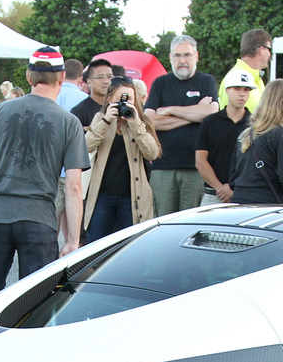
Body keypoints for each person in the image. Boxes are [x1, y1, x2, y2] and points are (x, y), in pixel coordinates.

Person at [0, 46, 88, 291]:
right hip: (40, 219)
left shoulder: (1, 111)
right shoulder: (69, 122)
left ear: (29, 77)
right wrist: (73, 241)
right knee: (36, 298)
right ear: (61, 77)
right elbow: (73, 187)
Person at [144, 35, 218, 214]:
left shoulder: (206, 81)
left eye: (187, 55)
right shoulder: (160, 83)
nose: (182, 60)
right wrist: (193, 114)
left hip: (196, 167)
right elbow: (150, 121)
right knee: (161, 223)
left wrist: (168, 109)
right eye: (177, 56)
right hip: (163, 168)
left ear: (196, 56)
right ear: (170, 57)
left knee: (191, 222)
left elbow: (210, 113)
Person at [82, 80, 160, 242]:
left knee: (130, 247)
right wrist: (106, 122)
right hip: (101, 196)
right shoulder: (100, 118)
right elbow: (84, 147)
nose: (125, 103)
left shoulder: (142, 121)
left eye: (129, 99)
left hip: (132, 197)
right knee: (96, 245)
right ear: (110, 99)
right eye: (120, 99)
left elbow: (152, 153)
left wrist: (135, 124)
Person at [229, 79, 283, 205]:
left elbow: (233, 178)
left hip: (240, 203)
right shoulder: (282, 136)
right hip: (269, 207)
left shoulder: (246, 135)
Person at [196, 68, 254, 204]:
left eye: (246, 89)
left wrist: (233, 188)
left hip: (245, 195)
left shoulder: (255, 124)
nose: (242, 94)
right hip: (213, 194)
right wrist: (220, 189)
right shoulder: (210, 122)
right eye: (237, 88)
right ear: (227, 90)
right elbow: (200, 160)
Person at [220, 29, 271, 112]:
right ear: (262, 50)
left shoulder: (256, 77)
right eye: (269, 49)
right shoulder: (234, 77)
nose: (269, 54)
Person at [71, 59, 115, 130]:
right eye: (100, 77)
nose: (106, 81)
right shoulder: (79, 112)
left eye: (109, 76)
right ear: (89, 82)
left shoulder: (116, 107)